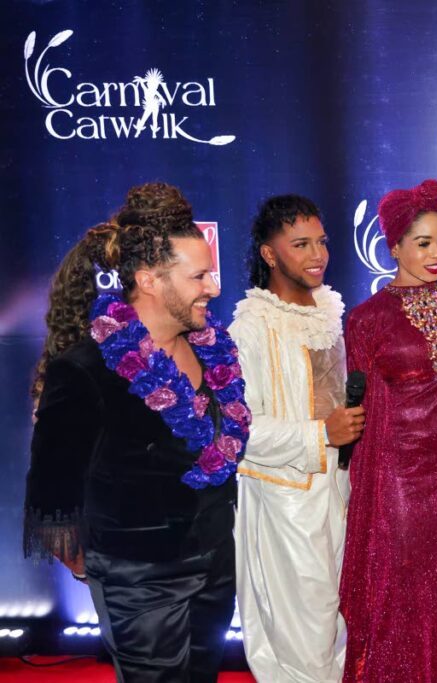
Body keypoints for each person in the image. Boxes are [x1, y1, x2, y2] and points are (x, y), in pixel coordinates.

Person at [23, 183, 249, 682]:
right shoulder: (85, 369)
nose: (212, 286)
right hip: (140, 578)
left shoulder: (215, 351)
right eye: (198, 276)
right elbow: (52, 490)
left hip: (215, 566)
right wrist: (104, 571)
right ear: (149, 280)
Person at [340, 179, 437, 682]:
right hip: (401, 480)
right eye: (424, 243)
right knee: (403, 596)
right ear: (394, 248)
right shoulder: (365, 319)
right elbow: (363, 410)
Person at [230, 195, 365, 682]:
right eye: (301, 244)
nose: (318, 255)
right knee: (301, 641)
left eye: (322, 242)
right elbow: (239, 429)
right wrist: (319, 433)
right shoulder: (252, 325)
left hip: (341, 491)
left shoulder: (329, 309)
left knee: (336, 633)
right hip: (285, 500)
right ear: (270, 254)